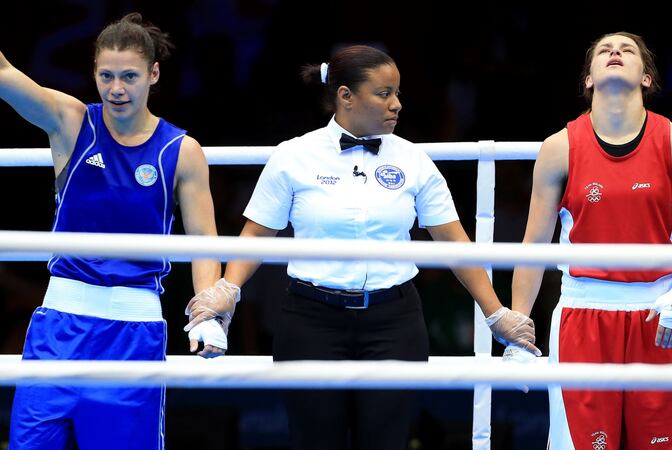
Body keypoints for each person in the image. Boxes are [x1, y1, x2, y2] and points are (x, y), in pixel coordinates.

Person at [182, 44, 539, 450]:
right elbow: (257, 235)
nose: (397, 104)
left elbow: (455, 244)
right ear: (345, 96)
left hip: (394, 322)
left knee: (388, 442)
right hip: (310, 321)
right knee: (314, 442)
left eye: (398, 93)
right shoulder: (293, 156)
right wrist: (228, 289)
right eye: (384, 93)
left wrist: (496, 314)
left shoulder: (414, 161)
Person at [0, 13, 225, 450]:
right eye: (106, 76)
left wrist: (208, 314)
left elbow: (204, 243)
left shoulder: (181, 151)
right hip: (58, 327)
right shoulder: (70, 121)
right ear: (94, 73)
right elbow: (4, 74)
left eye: (129, 76)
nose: (117, 88)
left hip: (132, 332)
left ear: (153, 74)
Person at [510, 32, 672, 450]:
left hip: (662, 316)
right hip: (583, 316)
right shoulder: (559, 148)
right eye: (604, 49)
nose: (615, 52)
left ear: (647, 78)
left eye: (627, 49)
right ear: (587, 79)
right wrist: (520, 327)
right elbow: (533, 246)